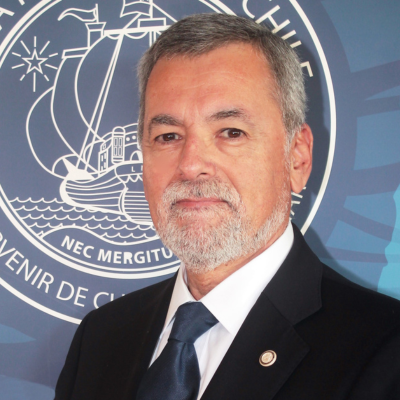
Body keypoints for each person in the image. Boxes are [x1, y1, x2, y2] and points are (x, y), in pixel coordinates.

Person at [54, 14, 400, 400]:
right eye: (168, 136)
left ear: (297, 158)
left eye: (231, 132)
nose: (190, 164)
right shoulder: (100, 338)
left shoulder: (385, 352)